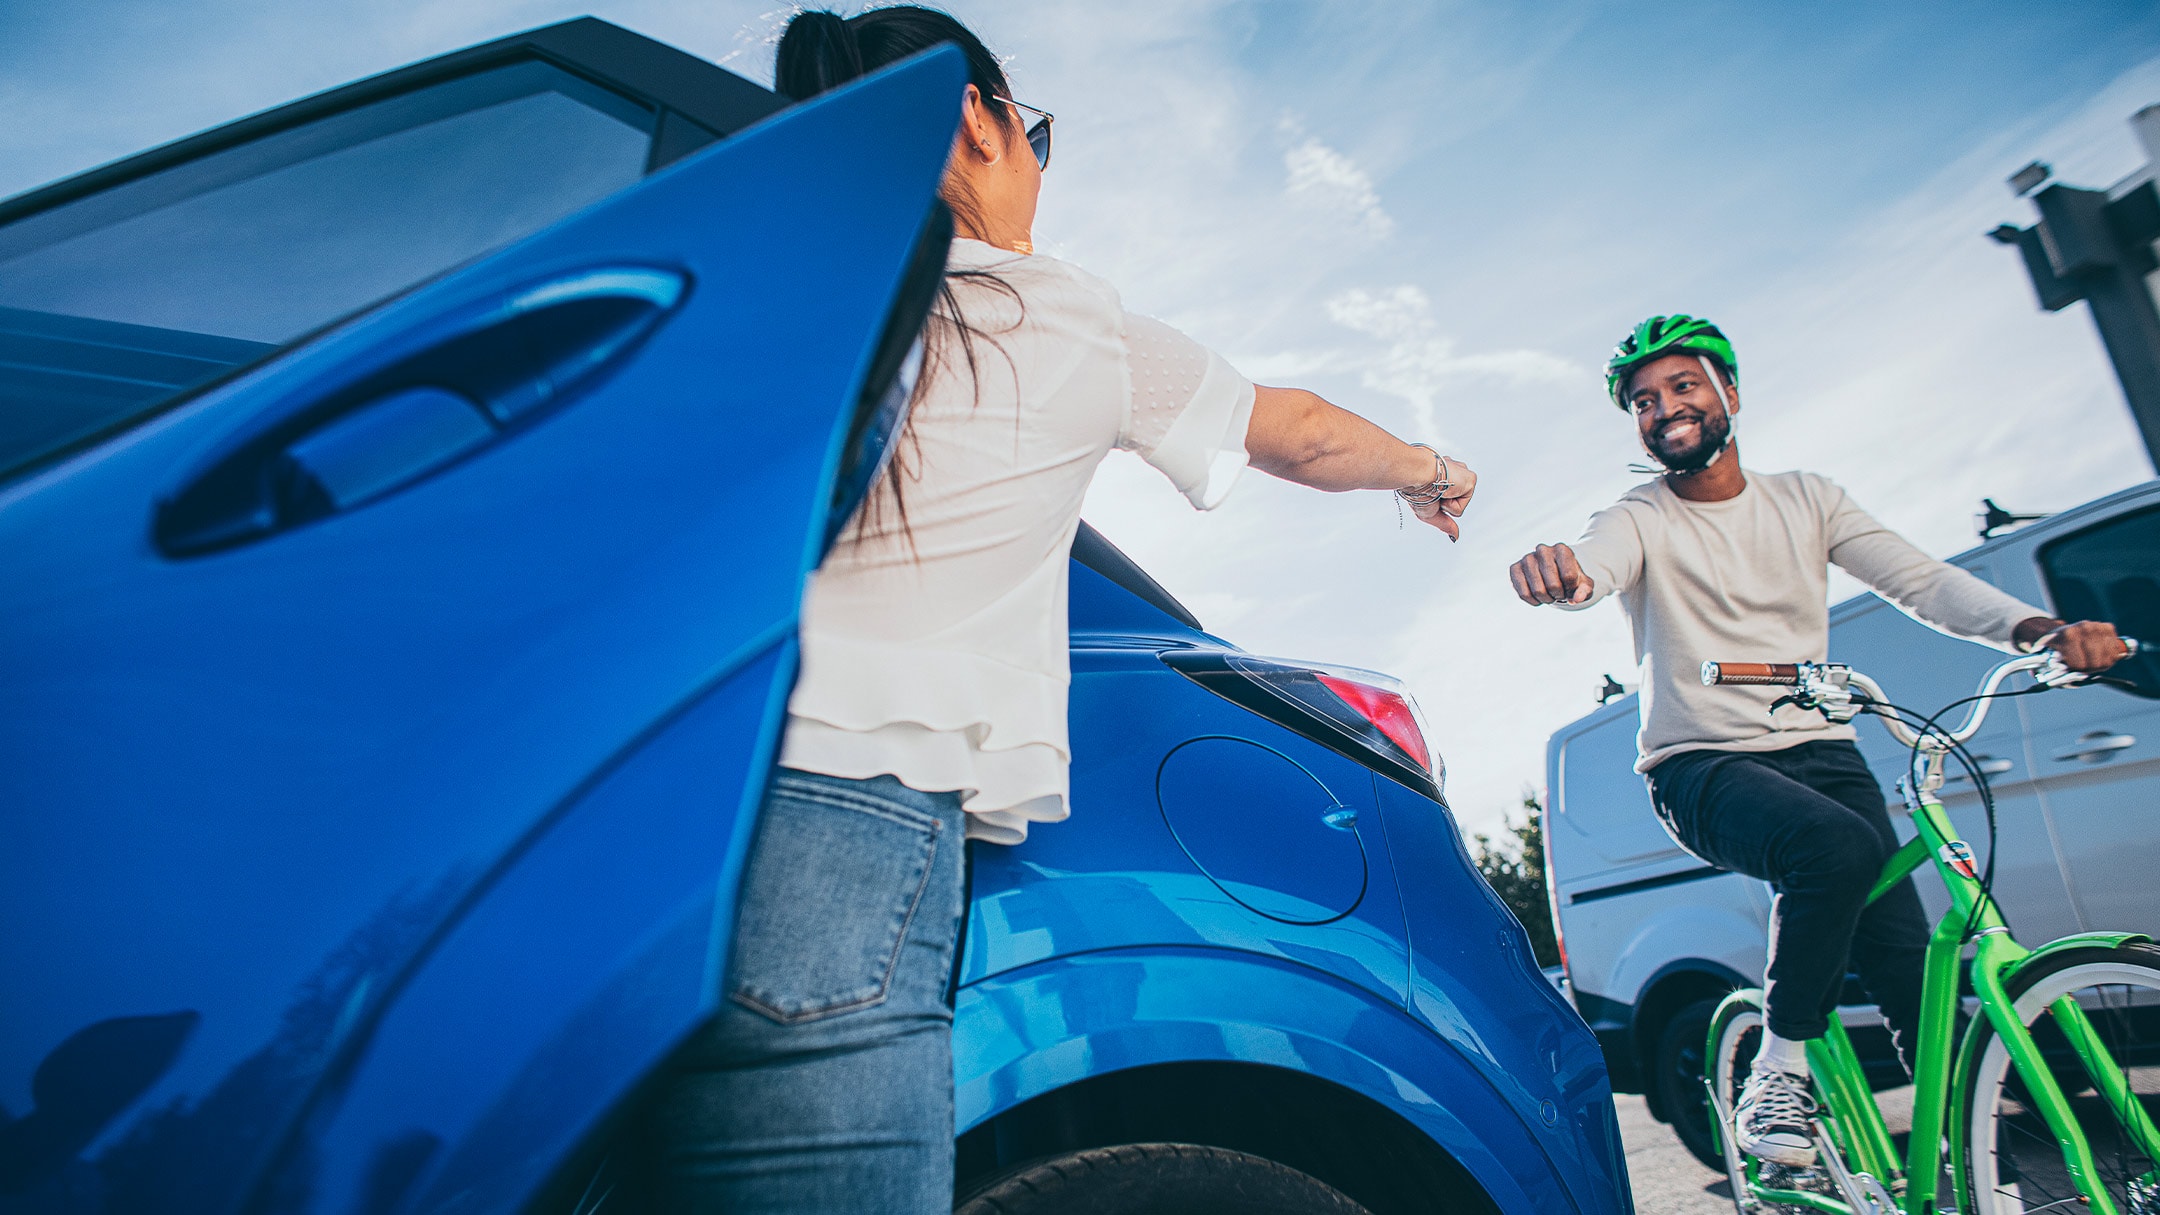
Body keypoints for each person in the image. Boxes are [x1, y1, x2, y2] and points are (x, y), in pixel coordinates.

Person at [640, 9, 1478, 1212]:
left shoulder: (781, 294)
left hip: (654, 798)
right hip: (848, 805)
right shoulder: (1052, 315)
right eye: (1033, 131)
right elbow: (1301, 433)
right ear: (978, 121)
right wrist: (1432, 470)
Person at [1506, 314, 2129, 1168]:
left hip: (1826, 756)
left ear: (1729, 393)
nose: (1666, 408)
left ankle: (1974, 1175)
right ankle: (1779, 1071)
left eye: (1684, 386)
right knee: (1834, 848)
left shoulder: (1807, 498)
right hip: (1702, 763)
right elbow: (1594, 563)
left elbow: (1922, 581)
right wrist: (1564, 575)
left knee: (1915, 979)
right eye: (1644, 401)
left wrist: (2036, 630)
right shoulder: (1638, 516)